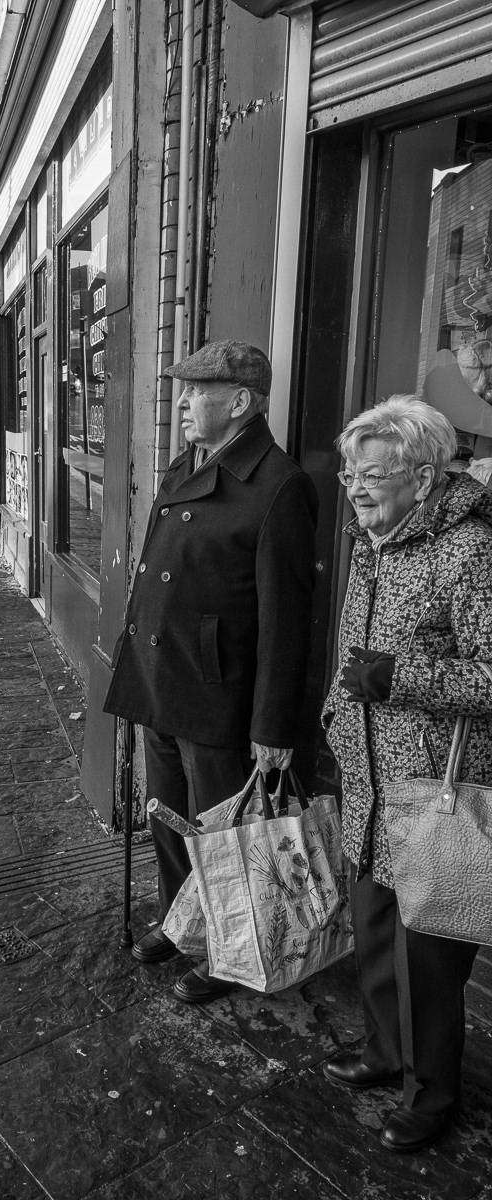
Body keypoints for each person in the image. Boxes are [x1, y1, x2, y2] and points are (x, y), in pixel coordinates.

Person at [104, 339, 318, 1003]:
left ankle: (231, 950)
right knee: (168, 820)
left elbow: (287, 620)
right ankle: (182, 924)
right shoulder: (186, 466)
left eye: (198, 391)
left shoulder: (279, 485)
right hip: (162, 677)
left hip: (219, 692)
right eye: (186, 389)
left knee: (223, 835)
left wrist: (272, 726)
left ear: (241, 401)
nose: (184, 402)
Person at [322, 394, 492, 1154]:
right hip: (369, 779)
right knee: (374, 929)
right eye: (349, 473)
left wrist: (402, 677)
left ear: (423, 478)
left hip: (432, 792)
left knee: (429, 959)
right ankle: (386, 1052)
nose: (355, 489)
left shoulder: (470, 550)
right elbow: (353, 649)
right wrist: (334, 714)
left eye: (373, 475)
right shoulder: (374, 538)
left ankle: (432, 1095)